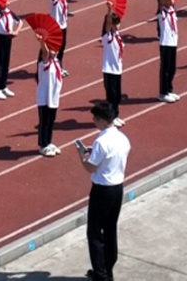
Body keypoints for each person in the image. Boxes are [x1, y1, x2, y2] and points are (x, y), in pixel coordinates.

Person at [77, 101, 129, 281]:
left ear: (101, 120)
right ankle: (108, 270)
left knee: (94, 232)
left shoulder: (101, 141)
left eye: (94, 119)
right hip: (117, 188)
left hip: (102, 190)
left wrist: (82, 157)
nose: (93, 121)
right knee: (110, 229)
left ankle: (100, 275)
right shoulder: (122, 138)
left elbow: (90, 168)